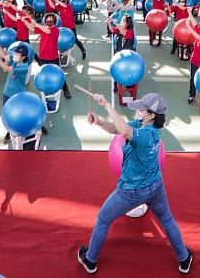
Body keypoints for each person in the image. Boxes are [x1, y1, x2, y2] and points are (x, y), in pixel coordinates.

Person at [78, 93, 193, 275]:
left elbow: (124, 132)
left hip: (132, 191)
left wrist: (107, 105)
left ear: (152, 114)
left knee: (103, 219)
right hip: (156, 185)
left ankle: (90, 260)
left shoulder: (146, 135)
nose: (138, 109)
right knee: (167, 220)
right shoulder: (143, 126)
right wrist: (99, 122)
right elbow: (117, 129)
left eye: (142, 108)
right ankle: (184, 258)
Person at [0, 42, 32, 144]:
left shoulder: (24, 67)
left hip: (18, 94)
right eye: (16, 53)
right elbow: (5, 55)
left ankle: (37, 127)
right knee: (7, 114)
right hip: (7, 92)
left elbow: (7, 68)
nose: (15, 55)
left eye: (18, 54)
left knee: (22, 114)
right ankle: (9, 132)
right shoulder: (15, 60)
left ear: (23, 57)